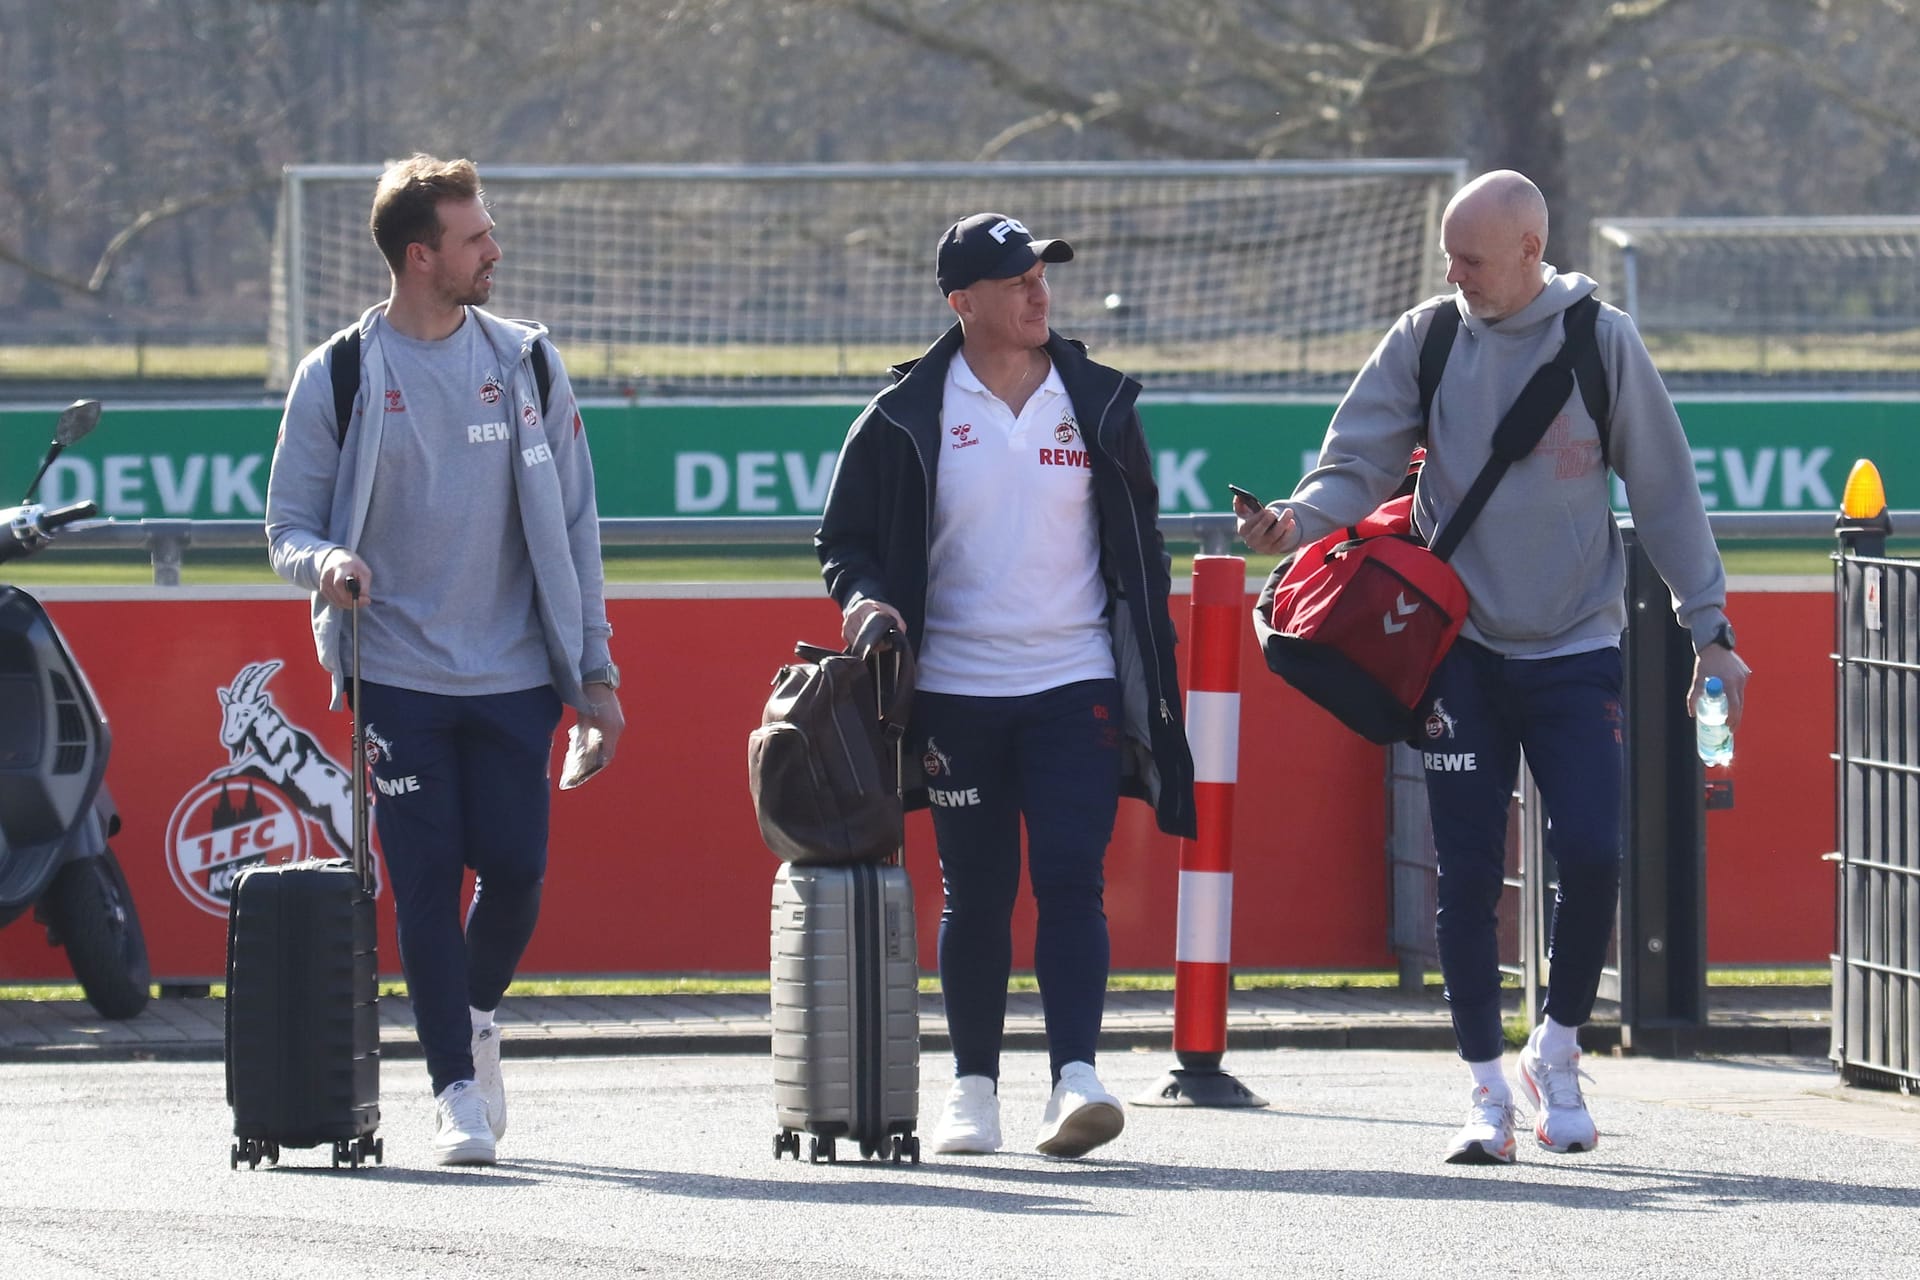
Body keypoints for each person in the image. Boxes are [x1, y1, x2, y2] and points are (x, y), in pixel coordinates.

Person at [1238, 170, 1751, 1165]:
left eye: (1470, 257)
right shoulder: (1427, 337)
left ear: (1530, 251)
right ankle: (1483, 1090)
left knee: (1595, 848)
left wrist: (1710, 626)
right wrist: (1293, 521)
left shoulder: (1603, 341)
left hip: (1574, 643)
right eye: (1447, 254)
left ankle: (1553, 1051)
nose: (1451, 271)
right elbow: (1355, 459)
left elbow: (1667, 490)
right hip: (1459, 648)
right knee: (1466, 873)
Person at [265, 154, 624, 1166]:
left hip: (514, 677)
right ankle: (453, 1092)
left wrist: (596, 676)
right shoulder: (339, 371)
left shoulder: (527, 363)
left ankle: (467, 1015)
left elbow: (579, 528)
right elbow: (285, 524)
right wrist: (327, 560)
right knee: (422, 880)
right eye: (474, 239)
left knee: (515, 871)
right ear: (422, 257)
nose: (493, 251)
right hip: (396, 677)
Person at [817, 212, 1197, 1159]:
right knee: (975, 892)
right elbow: (844, 543)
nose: (1038, 291)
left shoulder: (1100, 402)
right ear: (962, 302)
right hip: (955, 692)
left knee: (1072, 882)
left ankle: (1075, 1079)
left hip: (1078, 682)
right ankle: (972, 1091)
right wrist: (866, 604)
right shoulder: (908, 409)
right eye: (1016, 278)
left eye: (1042, 274)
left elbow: (1141, 549)